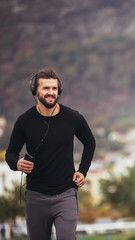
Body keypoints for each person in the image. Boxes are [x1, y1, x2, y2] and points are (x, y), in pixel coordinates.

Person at [5, 68, 96, 240]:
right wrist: (17, 164)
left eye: (54, 88)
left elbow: (90, 142)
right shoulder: (24, 121)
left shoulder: (73, 117)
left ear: (59, 90)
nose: (51, 93)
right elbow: (10, 153)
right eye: (46, 88)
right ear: (35, 91)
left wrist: (82, 171)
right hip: (35, 196)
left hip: (66, 193)